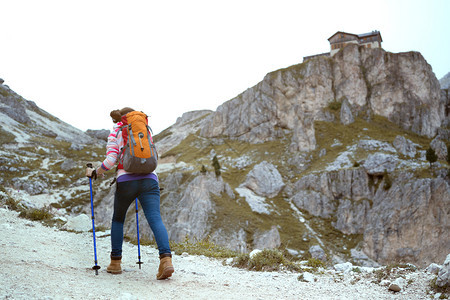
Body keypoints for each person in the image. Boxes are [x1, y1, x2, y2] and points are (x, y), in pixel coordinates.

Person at [86, 107, 174, 280]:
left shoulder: (117, 132)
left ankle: (115, 263)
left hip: (126, 181)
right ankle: (166, 260)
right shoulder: (144, 129)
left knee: (118, 219)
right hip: (150, 180)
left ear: (119, 119)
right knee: (155, 218)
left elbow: (111, 160)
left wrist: (97, 171)